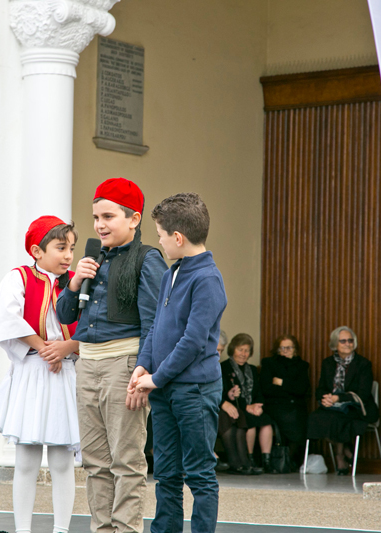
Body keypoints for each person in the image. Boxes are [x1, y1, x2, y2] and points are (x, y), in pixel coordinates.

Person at [57, 177, 167, 533]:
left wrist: (142, 370)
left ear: (134, 219)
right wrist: (74, 283)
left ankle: (126, 529)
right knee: (94, 462)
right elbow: (64, 316)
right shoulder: (91, 259)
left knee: (126, 461)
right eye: (95, 217)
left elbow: (155, 323)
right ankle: (102, 529)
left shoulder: (147, 259)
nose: (100, 225)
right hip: (87, 364)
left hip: (124, 364)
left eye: (108, 216)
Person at [129, 192, 226, 533]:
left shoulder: (208, 279)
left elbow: (193, 341)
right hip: (166, 388)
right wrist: (144, 364)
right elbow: (157, 326)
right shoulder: (172, 273)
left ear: (178, 237)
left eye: (160, 235)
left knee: (199, 473)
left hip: (195, 391)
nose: (159, 241)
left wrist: (157, 378)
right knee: (166, 472)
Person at [0, 216, 80, 533]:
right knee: (26, 459)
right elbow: (4, 317)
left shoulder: (78, 283)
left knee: (63, 461)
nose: (68, 255)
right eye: (60, 247)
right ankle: (22, 528)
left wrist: (65, 348)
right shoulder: (20, 278)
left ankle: (61, 529)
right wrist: (43, 347)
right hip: (32, 370)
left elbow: (94, 327)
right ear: (37, 250)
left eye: (72, 248)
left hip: (64, 372)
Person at [306, 326, 378, 475]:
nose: (347, 344)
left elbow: (363, 394)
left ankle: (339, 456)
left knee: (337, 419)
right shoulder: (328, 363)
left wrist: (338, 398)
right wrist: (325, 398)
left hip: (358, 407)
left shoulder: (363, 364)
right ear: (335, 344)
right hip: (333, 406)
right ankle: (346, 450)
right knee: (315, 417)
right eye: (343, 341)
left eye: (350, 340)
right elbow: (321, 388)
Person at [223, 333, 277, 473]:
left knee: (266, 421)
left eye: (247, 350)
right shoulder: (224, 368)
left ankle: (267, 461)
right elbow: (225, 394)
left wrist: (258, 405)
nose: (243, 354)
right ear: (233, 349)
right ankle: (249, 459)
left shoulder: (252, 369)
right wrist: (247, 407)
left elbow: (259, 392)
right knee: (249, 422)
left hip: (252, 408)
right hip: (236, 408)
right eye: (240, 349)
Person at [260, 334, 310, 467]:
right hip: (275, 404)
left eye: (289, 348)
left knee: (299, 420)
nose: (286, 351)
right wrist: (290, 388)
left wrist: (281, 382)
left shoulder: (302, 366)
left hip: (296, 406)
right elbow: (266, 388)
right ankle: (285, 460)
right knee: (290, 418)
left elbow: (302, 389)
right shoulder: (269, 363)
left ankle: (290, 459)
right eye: (282, 348)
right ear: (277, 350)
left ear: (295, 349)